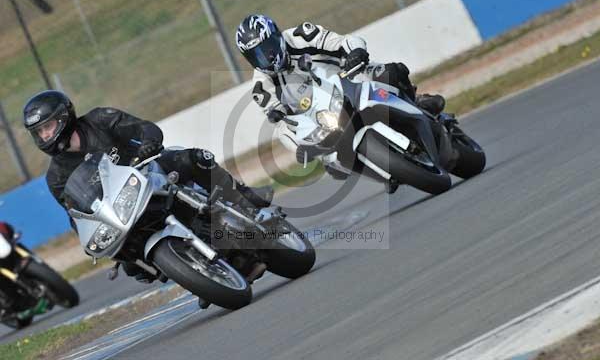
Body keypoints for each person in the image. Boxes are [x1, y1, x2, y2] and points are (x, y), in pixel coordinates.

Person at [22, 90, 274, 282]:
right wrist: (87, 237)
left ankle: (243, 196)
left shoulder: (99, 119)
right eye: (39, 132)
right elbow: (76, 214)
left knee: (191, 159)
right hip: (122, 210)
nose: (44, 136)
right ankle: (189, 272)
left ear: (63, 117)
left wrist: (147, 144)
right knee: (132, 264)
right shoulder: (55, 178)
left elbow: (144, 128)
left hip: (150, 172)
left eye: (48, 127)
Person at [235, 14, 446, 193]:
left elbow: (340, 41)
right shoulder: (261, 87)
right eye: (257, 56)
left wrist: (354, 52)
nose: (266, 58)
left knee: (391, 73)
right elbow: (281, 124)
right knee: (333, 165)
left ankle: (417, 102)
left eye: (267, 49)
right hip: (324, 115)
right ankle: (385, 174)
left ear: (276, 36)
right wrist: (300, 147)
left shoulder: (301, 36)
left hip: (350, 76)